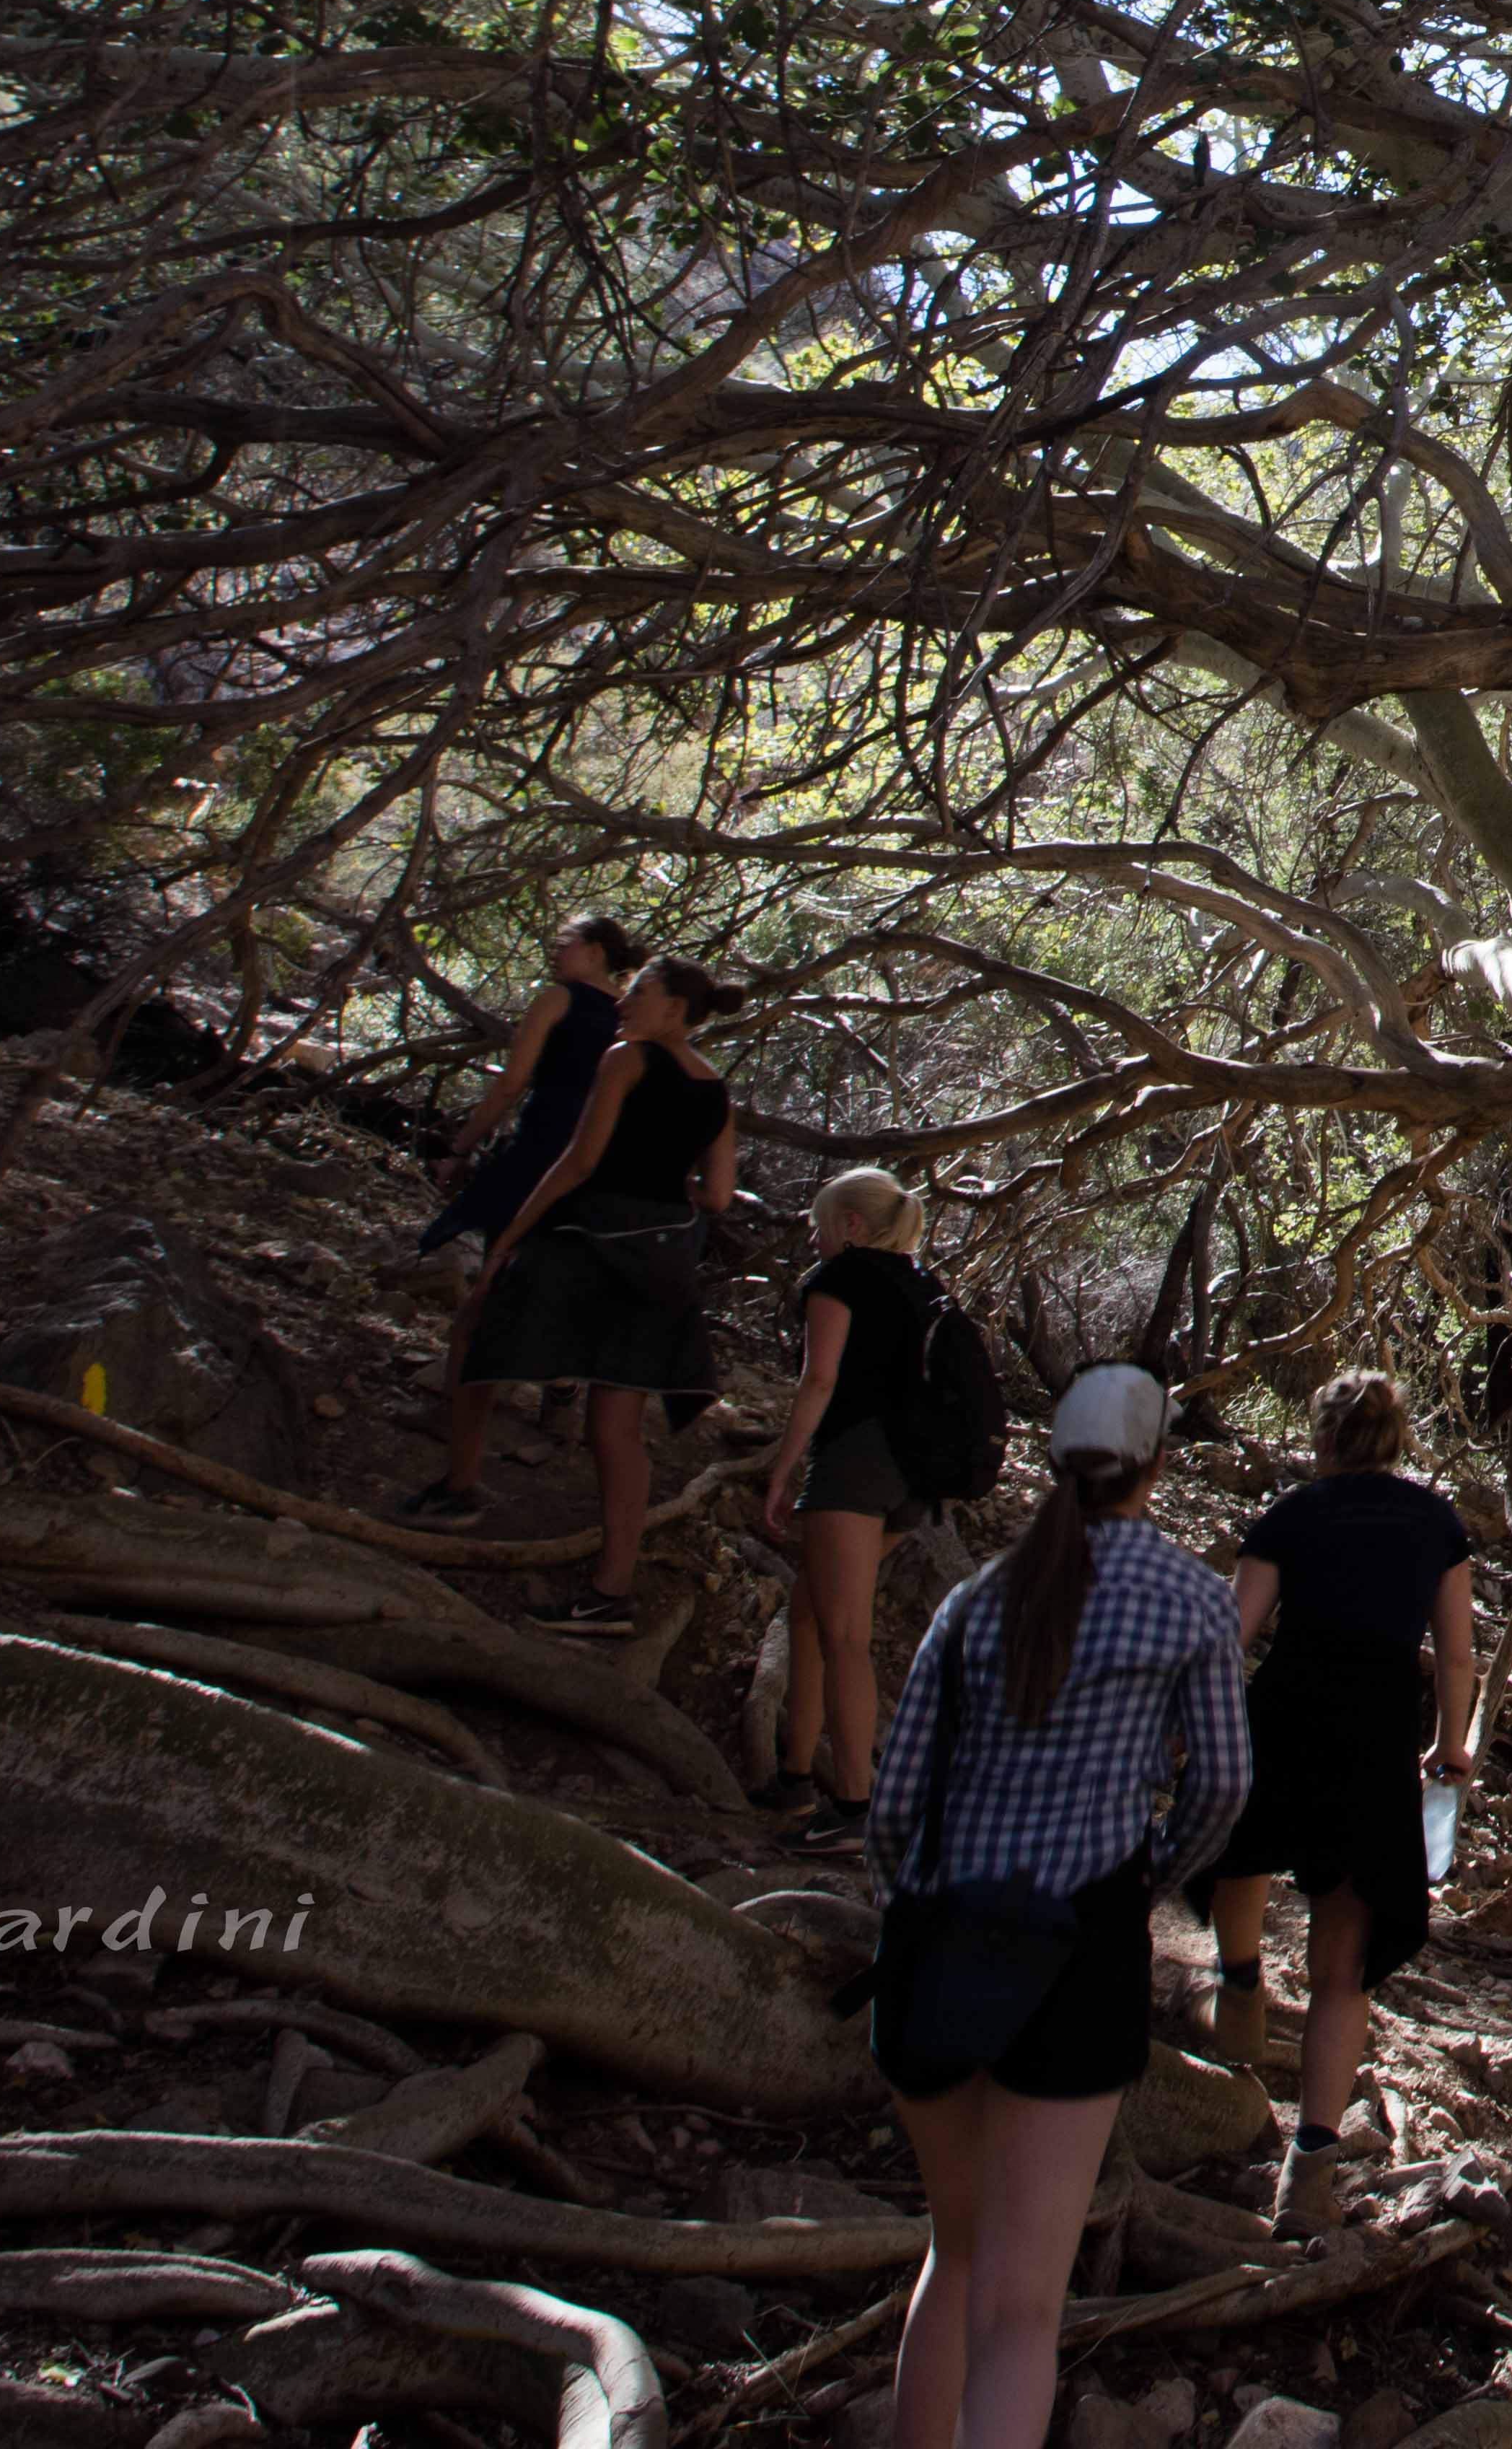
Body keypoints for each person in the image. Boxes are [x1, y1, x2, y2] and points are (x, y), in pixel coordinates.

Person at [866, 1364, 1242, 2449]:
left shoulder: (978, 1598)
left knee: (958, 2251)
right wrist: (1151, 1880)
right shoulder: (1189, 1600)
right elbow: (1220, 1782)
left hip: (936, 1943)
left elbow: (894, 1800)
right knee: (1026, 2305)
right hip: (1077, 1953)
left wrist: (911, 1910)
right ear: (1156, 1467)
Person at [1202, 1370, 1476, 2177]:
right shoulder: (1434, 1521)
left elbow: (1233, 1634)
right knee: (1344, 1954)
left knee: (1243, 1848)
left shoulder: (1292, 1514)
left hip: (1284, 1711)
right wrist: (1449, 1745)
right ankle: (1311, 2162)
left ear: (1323, 1437)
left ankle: (1241, 1981)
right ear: (1395, 1439)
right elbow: (1456, 1653)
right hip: (1377, 1732)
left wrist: (1197, 1727)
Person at [454, 951, 736, 1629]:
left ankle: (456, 1487)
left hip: (591, 1242)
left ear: (674, 1007)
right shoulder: (716, 1091)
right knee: (617, 1427)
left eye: (639, 990)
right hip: (662, 1256)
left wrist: (511, 1236)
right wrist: (670, 1188)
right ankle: (611, 1590)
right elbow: (719, 1195)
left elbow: (579, 1161)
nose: (624, 1001)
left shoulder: (626, 1060)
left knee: (478, 1333)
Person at [394, 919, 632, 1525]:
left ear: (596, 951)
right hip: (599, 1174)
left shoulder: (559, 999)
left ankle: (461, 1475)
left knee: (483, 1308)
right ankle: (555, 1386)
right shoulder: (635, 1022)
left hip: (538, 1160)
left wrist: (462, 1144)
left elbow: (512, 1084)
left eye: (565, 943)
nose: (555, 952)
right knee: (550, 1284)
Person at [755, 1161, 936, 1844]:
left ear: (851, 1225)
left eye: (818, 1224)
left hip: (856, 1469)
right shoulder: (921, 1285)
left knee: (845, 1637)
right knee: (810, 1611)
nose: (811, 1238)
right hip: (915, 1480)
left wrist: (781, 1470)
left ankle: (856, 1808)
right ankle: (796, 1776)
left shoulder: (838, 1280)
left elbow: (820, 1379)